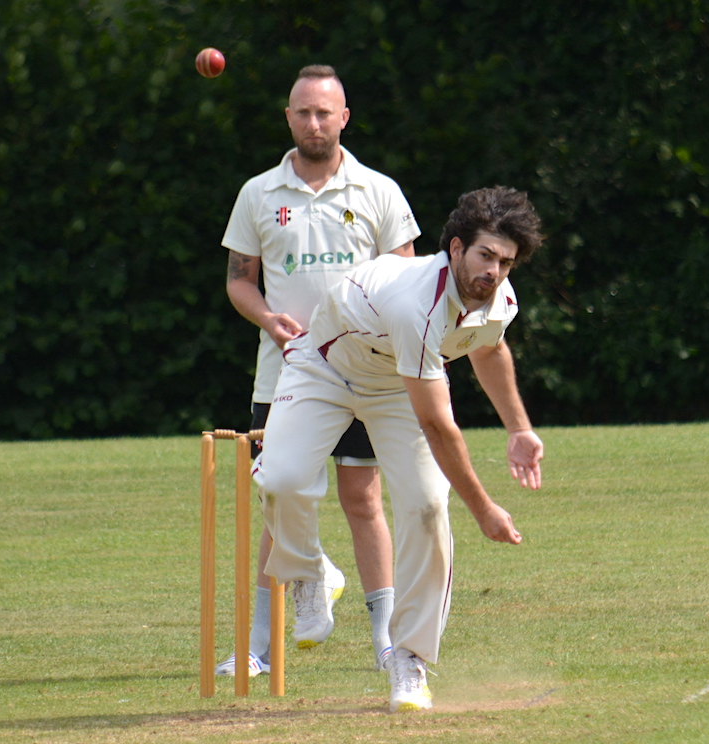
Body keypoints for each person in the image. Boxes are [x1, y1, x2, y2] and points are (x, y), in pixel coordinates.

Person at [254, 186, 545, 712]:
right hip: (324, 367)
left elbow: (488, 346)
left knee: (428, 507)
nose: (494, 272)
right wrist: (483, 509)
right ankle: (311, 573)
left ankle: (409, 660)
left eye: (505, 262)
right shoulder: (418, 303)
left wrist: (518, 428)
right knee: (280, 480)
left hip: (393, 384)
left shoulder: (499, 299)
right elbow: (436, 425)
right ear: (455, 248)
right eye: (485, 256)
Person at [217, 64, 421, 676]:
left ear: (344, 117)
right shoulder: (258, 193)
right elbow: (239, 281)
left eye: (324, 112)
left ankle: (387, 642)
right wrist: (268, 319)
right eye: (303, 112)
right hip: (285, 375)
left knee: (363, 499)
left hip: (363, 373)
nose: (313, 123)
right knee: (278, 502)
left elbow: (407, 281)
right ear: (288, 118)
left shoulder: (378, 191)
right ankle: (259, 646)